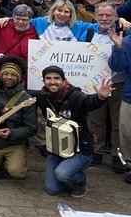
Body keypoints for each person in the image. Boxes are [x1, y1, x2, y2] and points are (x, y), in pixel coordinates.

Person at [33, 65, 112, 197]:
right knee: (52, 189)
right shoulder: (42, 96)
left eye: (56, 78)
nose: (52, 81)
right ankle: (65, 173)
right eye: (48, 78)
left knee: (62, 174)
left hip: (80, 150)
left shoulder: (76, 96)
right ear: (44, 81)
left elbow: (89, 101)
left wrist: (100, 98)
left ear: (64, 81)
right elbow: (21, 93)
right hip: (57, 150)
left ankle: (80, 180)